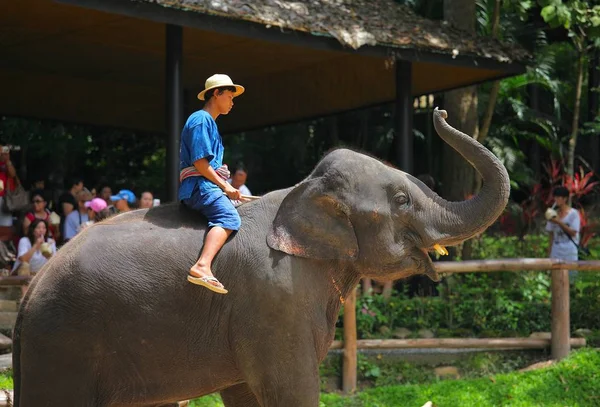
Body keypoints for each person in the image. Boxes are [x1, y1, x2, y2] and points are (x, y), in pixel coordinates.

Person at [179, 74, 246, 294]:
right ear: (216, 94)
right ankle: (202, 265)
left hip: (205, 185)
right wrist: (225, 186)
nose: (232, 102)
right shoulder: (201, 119)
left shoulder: (209, 123)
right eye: (229, 96)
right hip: (200, 188)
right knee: (229, 217)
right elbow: (200, 162)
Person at [546, 186, 580, 280]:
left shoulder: (574, 214)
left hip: (569, 248)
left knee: (571, 276)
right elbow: (551, 235)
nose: (556, 200)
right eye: (555, 197)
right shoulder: (552, 214)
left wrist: (558, 222)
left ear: (565, 199)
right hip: (556, 248)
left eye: (558, 197)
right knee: (555, 276)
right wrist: (549, 253)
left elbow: (573, 232)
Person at [13, 218, 56, 294]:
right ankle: (25, 295)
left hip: (40, 273)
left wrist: (48, 252)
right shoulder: (24, 240)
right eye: (38, 228)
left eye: (44, 228)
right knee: (25, 265)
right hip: (24, 273)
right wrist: (36, 245)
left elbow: (54, 262)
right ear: (33, 230)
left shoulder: (50, 242)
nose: (41, 230)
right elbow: (23, 259)